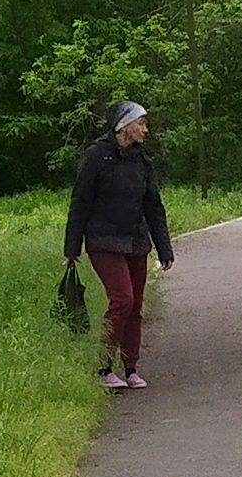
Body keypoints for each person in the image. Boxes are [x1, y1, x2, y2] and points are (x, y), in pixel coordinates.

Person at [65, 98, 175, 388]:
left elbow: (153, 206)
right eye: (141, 123)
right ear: (124, 126)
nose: (145, 129)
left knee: (135, 304)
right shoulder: (97, 157)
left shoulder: (142, 161)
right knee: (122, 299)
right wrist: (71, 248)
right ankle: (103, 367)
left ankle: (131, 368)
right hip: (103, 239)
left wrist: (164, 248)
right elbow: (80, 202)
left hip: (136, 240)